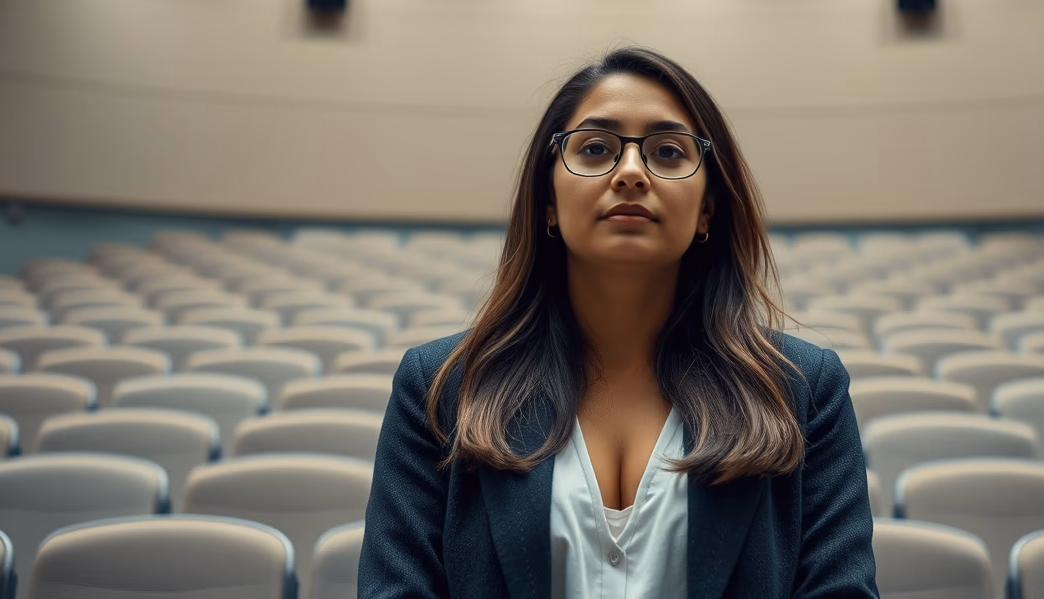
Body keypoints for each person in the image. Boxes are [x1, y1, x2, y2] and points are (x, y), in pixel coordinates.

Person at [359, 47, 878, 599]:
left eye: (669, 152)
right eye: (597, 148)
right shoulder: (438, 387)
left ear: (707, 210)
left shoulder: (805, 390)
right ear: (548, 202)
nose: (631, 172)